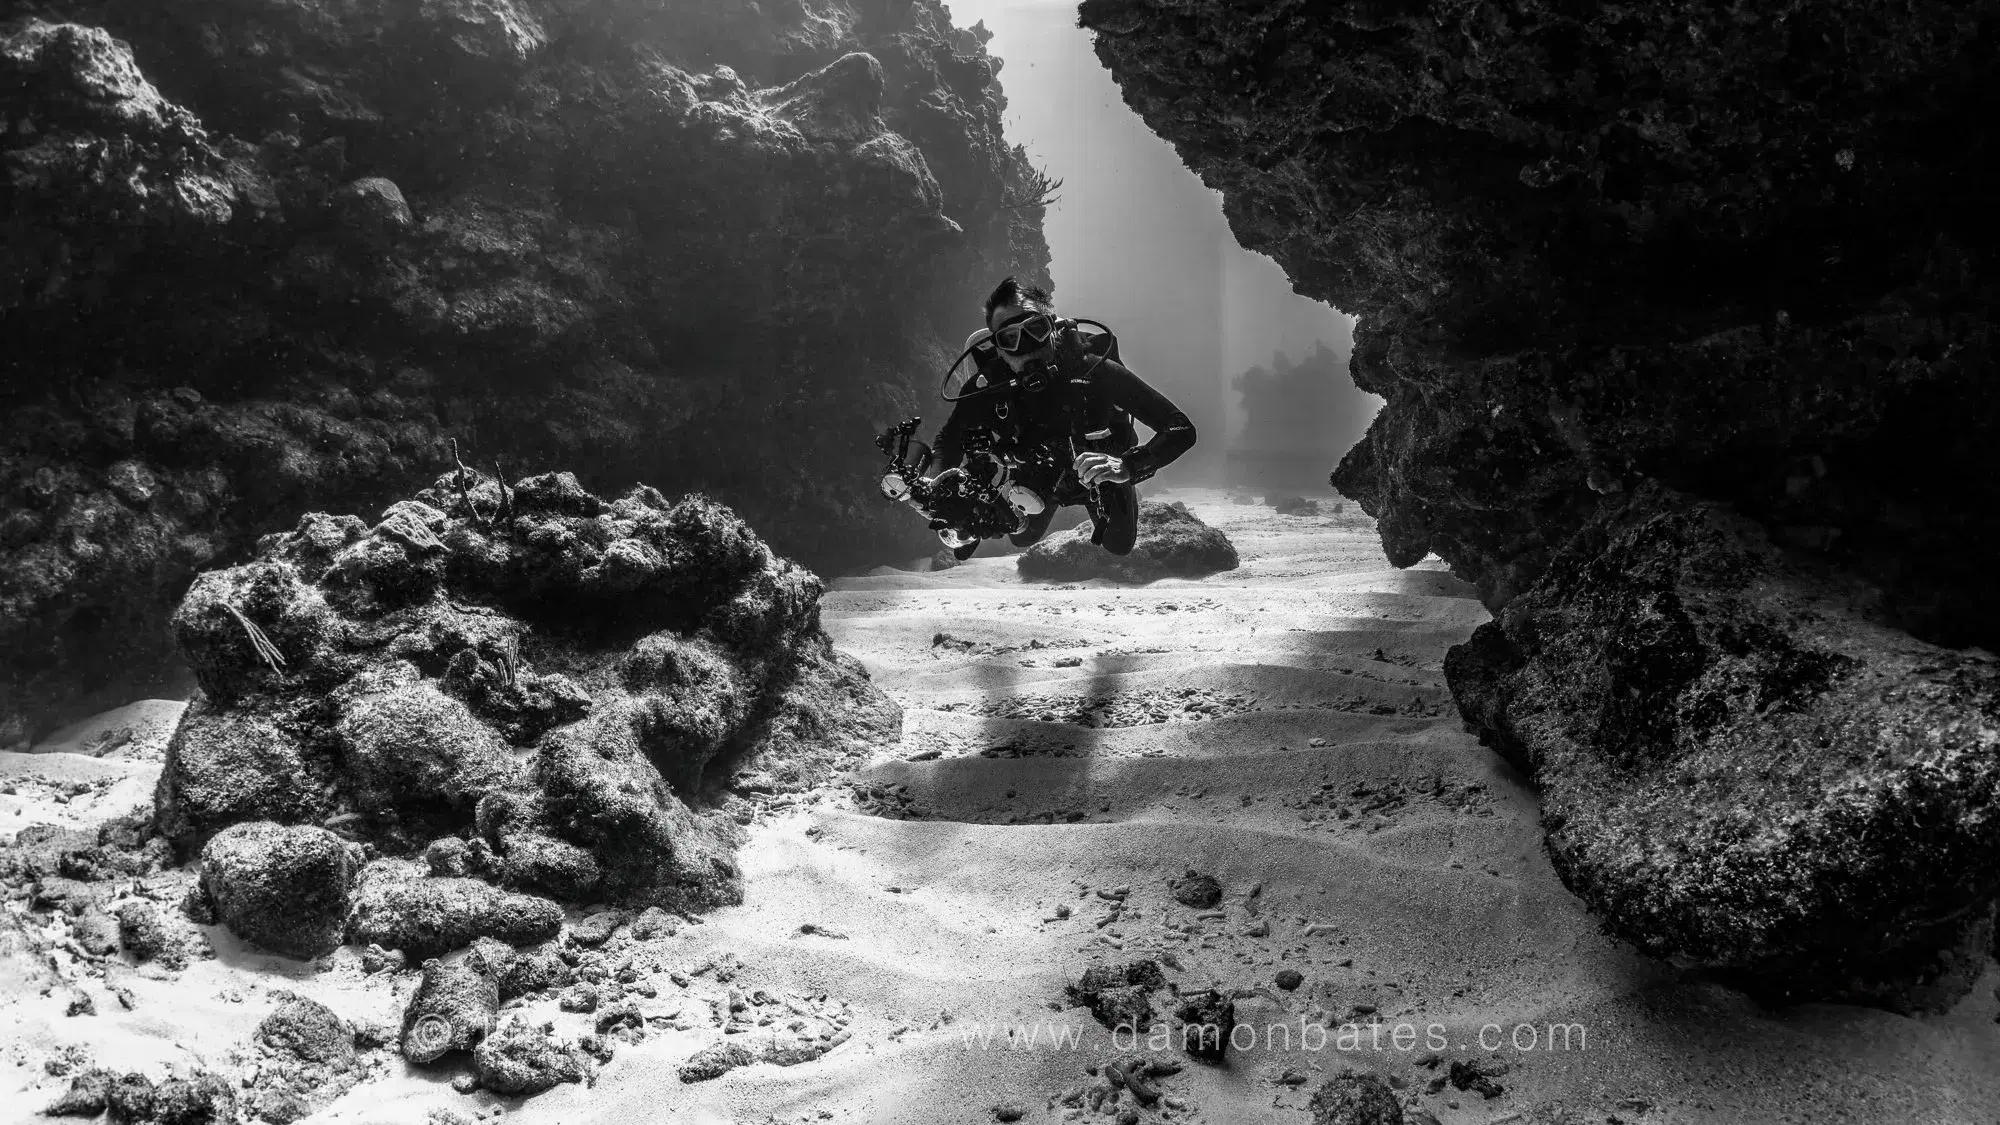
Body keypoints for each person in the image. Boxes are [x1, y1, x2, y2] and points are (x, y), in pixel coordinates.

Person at [925, 277, 1196, 558]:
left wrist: (1127, 466)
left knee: (1119, 545)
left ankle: (1115, 485)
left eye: (1035, 330)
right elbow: (949, 440)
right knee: (1022, 538)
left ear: (1053, 327)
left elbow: (1180, 427)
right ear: (998, 349)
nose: (1026, 348)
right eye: (1010, 339)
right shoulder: (988, 385)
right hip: (1036, 474)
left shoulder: (1096, 371)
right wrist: (939, 484)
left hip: (1101, 471)